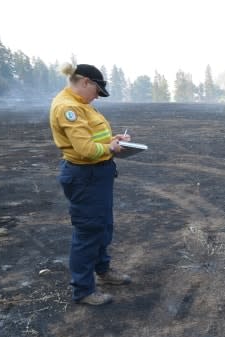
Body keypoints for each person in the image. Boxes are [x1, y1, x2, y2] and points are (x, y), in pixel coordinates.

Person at [50, 63, 132, 305]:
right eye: (97, 90)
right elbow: (85, 149)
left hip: (98, 175)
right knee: (88, 231)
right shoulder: (68, 108)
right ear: (85, 81)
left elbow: (91, 137)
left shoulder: (82, 105)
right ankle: (83, 290)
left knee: (103, 226)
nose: (97, 96)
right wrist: (110, 148)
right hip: (85, 176)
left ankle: (103, 271)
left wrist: (112, 139)